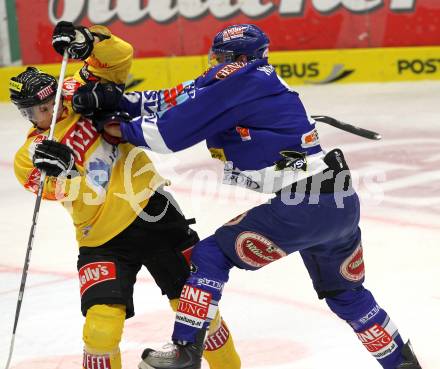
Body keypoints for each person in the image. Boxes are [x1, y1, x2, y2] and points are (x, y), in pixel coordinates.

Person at [84, 24, 423, 369]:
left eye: (219, 57)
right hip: (339, 202)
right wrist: (120, 101)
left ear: (238, 59)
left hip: (303, 205)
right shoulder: (251, 79)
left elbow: (166, 135)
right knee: (347, 296)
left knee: (211, 254)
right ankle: (403, 364)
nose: (212, 63)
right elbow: (180, 96)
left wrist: (116, 125)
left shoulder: (240, 82)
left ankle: (186, 350)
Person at [11, 22, 241, 369]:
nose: (50, 112)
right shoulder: (30, 156)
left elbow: (119, 58)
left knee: (199, 313)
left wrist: (89, 41)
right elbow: (73, 194)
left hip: (153, 212)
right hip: (102, 238)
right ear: (26, 113)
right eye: (38, 111)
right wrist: (69, 173)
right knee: (100, 331)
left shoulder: (78, 92)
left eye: (50, 103)